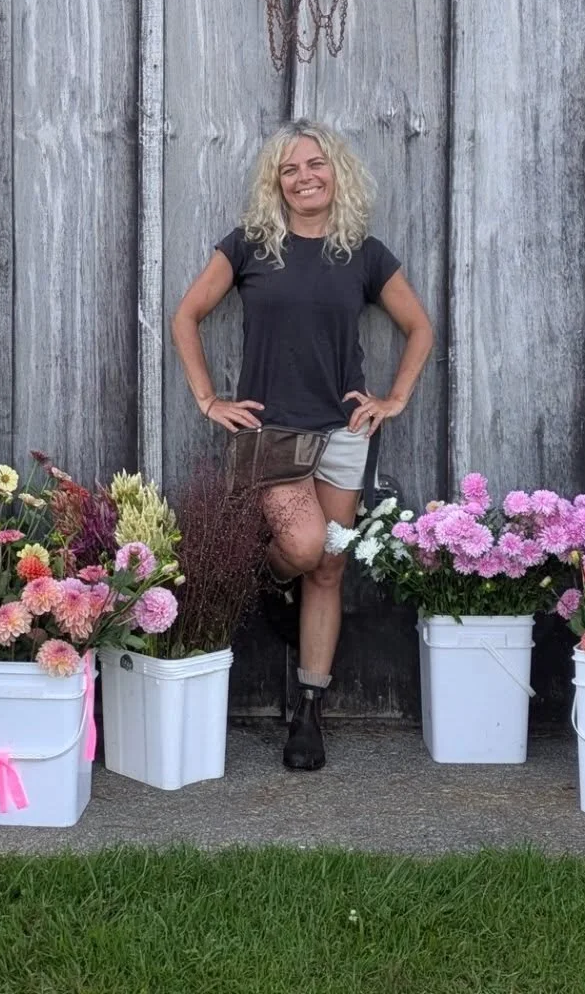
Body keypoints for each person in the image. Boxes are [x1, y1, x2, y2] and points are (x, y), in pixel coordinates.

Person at [171, 120, 434, 770]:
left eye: (315, 164)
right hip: (271, 434)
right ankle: (268, 580)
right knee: (304, 545)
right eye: (290, 169)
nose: (304, 176)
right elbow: (186, 315)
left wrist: (393, 398)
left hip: (344, 435)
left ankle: (309, 710)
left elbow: (418, 327)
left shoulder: (365, 255)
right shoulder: (251, 247)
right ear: (276, 182)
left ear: (334, 171)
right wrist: (209, 398)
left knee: (330, 565)